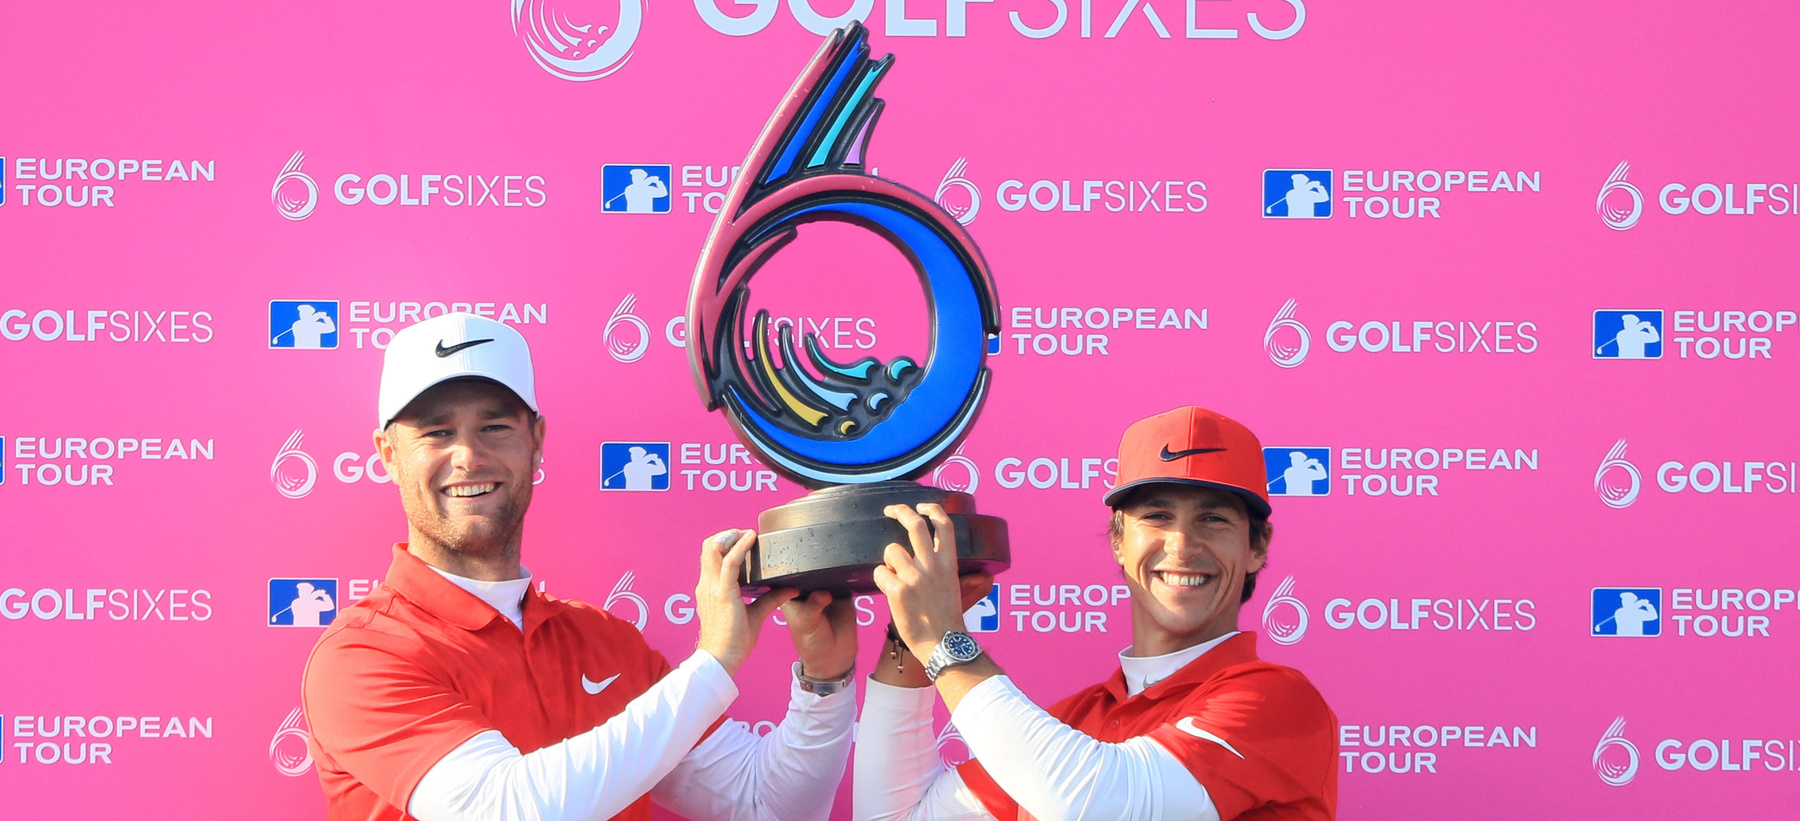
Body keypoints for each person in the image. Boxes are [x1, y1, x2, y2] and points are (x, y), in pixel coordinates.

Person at [301, 312, 859, 821]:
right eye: (437, 432)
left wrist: (825, 681)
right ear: (389, 454)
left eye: (494, 427)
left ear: (536, 441)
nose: (468, 456)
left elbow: (767, 805)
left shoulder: (605, 641)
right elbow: (507, 811)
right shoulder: (361, 655)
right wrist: (713, 663)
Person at [855, 406, 1338, 821]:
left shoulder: (1279, 701)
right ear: (1118, 541)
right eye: (1157, 516)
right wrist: (909, 638)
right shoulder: (1072, 721)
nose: (1182, 545)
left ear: (1257, 546)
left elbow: (1099, 806)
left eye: (1213, 518)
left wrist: (943, 641)